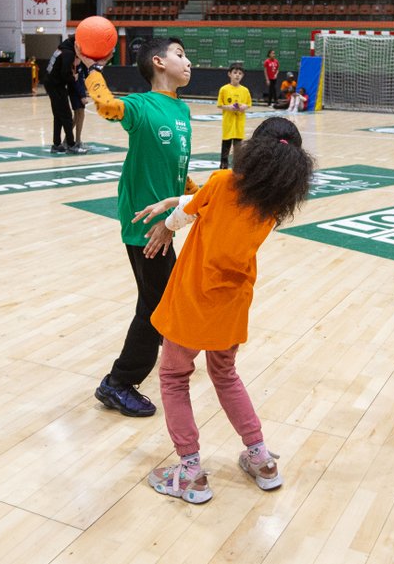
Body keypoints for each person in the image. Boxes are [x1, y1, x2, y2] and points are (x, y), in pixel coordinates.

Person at [135, 117, 314, 504]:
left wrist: (167, 223)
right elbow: (205, 204)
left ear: (254, 150)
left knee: (174, 378)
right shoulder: (270, 206)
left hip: (194, 300)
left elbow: (189, 213)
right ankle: (261, 459)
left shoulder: (221, 182)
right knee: (225, 375)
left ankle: (190, 471)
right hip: (232, 304)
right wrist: (177, 201)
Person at [80, 37, 199, 418]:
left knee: (158, 299)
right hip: (145, 223)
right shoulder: (141, 105)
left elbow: (175, 165)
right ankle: (118, 383)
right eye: (180, 54)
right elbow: (106, 105)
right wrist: (93, 71)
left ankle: (158, 346)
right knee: (156, 307)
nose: (188, 61)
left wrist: (198, 194)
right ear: (158, 62)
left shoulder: (181, 110)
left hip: (167, 221)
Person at [43, 35, 84, 153]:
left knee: (58, 115)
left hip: (50, 83)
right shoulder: (68, 53)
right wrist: (73, 78)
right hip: (57, 86)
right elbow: (64, 73)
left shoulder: (61, 49)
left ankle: (56, 144)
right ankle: (71, 145)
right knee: (66, 116)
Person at [217, 62, 251, 169]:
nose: (237, 75)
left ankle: (237, 166)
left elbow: (248, 104)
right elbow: (220, 105)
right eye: (235, 72)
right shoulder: (224, 89)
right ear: (229, 74)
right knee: (226, 144)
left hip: (239, 123)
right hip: (228, 122)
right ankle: (223, 164)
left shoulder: (245, 90)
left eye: (240, 73)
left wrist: (244, 107)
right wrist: (229, 107)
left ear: (242, 76)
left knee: (238, 147)